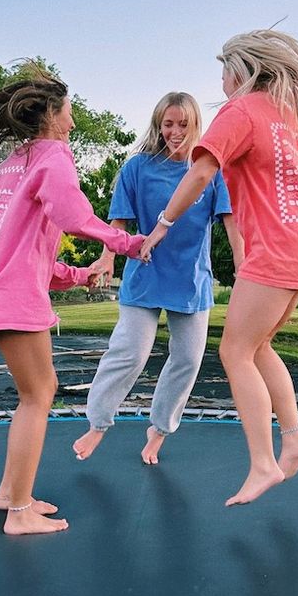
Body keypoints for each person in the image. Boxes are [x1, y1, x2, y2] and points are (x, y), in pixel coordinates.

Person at [0, 70, 145, 535]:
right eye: (69, 112)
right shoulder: (53, 155)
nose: (72, 123)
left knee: (36, 390)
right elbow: (74, 216)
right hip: (7, 293)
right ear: (51, 113)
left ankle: (11, 493)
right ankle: (18, 513)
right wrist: (127, 244)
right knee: (38, 394)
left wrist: (76, 275)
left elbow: (19, 248)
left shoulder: (8, 164)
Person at [139, 30, 298, 506]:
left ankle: (263, 462)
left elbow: (200, 171)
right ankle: (293, 438)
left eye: (224, 72)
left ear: (240, 72)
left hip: (278, 250)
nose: (221, 81)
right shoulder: (286, 116)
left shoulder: (241, 111)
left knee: (234, 353)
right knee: (258, 344)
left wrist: (162, 224)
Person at [72, 92, 243, 465]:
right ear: (158, 124)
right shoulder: (137, 168)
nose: (175, 131)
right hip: (145, 275)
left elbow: (232, 222)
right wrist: (106, 258)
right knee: (129, 352)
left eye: (183, 124)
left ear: (196, 124)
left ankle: (159, 429)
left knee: (187, 359)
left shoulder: (210, 171)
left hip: (191, 280)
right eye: (168, 123)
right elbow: (119, 222)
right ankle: (98, 422)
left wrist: (243, 268)